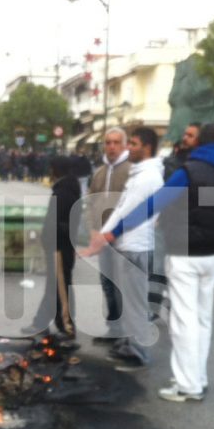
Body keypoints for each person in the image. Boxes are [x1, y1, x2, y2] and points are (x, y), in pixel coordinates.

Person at [89, 123, 214, 401]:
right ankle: (198, 377)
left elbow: (153, 205)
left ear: (200, 144)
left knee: (183, 322)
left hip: (184, 255)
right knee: (203, 320)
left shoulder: (189, 172)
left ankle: (187, 385)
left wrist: (115, 230)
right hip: (211, 258)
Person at [90, 126, 165, 372]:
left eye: (132, 143)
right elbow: (115, 206)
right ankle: (126, 343)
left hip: (134, 244)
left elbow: (127, 210)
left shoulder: (147, 176)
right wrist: (102, 234)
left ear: (147, 147)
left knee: (134, 302)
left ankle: (139, 353)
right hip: (125, 243)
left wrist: (106, 234)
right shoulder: (138, 174)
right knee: (123, 295)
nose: (126, 148)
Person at [23, 156, 82, 337]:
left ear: (57, 170)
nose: (50, 172)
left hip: (60, 246)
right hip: (58, 245)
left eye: (52, 168)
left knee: (60, 287)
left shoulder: (64, 192)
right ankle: (41, 322)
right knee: (54, 286)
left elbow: (60, 221)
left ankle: (66, 325)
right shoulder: (65, 188)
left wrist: (50, 236)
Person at [85, 128, 132, 345]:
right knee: (108, 284)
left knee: (124, 286)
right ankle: (113, 328)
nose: (111, 146)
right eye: (108, 142)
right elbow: (91, 203)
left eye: (115, 142)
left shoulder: (131, 170)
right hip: (102, 240)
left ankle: (126, 334)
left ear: (124, 145)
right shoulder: (100, 172)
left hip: (124, 240)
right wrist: (93, 230)